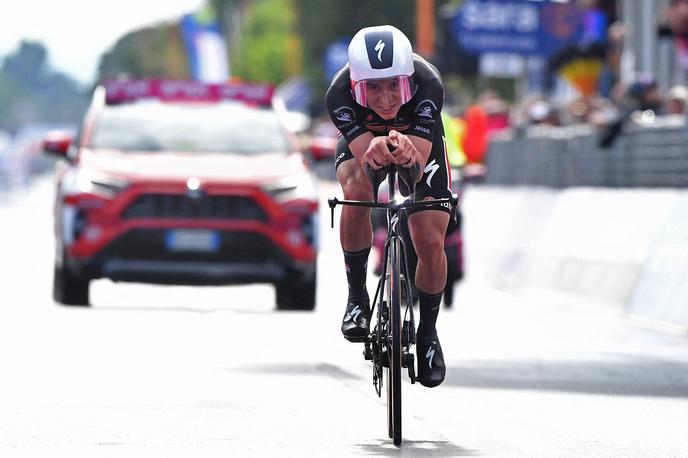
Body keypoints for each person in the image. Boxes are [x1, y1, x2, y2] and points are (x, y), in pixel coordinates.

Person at [325, 25, 452, 388]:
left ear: (408, 80)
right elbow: (366, 154)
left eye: (394, 85)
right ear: (354, 86)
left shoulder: (429, 83)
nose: (384, 99)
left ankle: (428, 333)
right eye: (372, 89)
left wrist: (403, 147)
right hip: (365, 144)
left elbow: (417, 162)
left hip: (418, 141)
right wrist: (375, 149)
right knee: (356, 189)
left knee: (428, 237)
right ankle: (356, 297)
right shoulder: (338, 94)